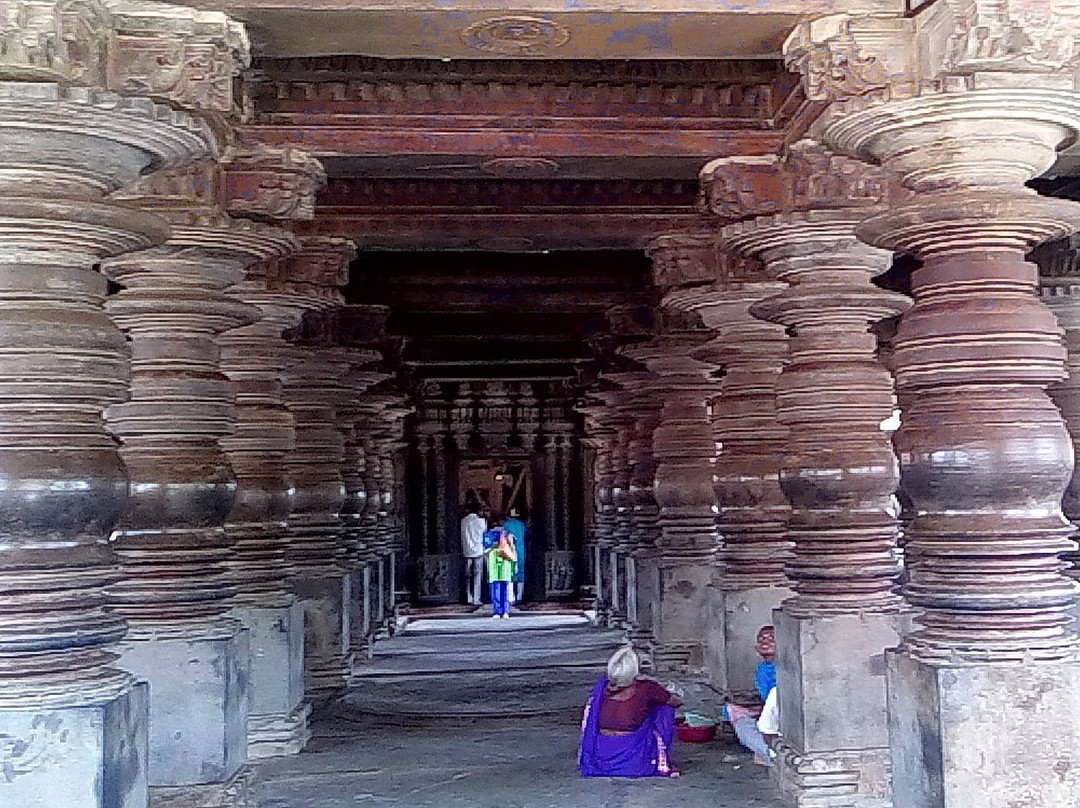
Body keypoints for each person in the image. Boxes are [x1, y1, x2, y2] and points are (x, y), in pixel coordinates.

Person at [578, 647, 682, 778]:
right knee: (664, 707)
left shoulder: (602, 687)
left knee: (651, 702)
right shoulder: (646, 687)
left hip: (602, 758)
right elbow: (675, 702)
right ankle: (658, 758)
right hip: (633, 762)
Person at [724, 625, 778, 766]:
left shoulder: (786, 667)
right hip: (773, 715)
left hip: (783, 721)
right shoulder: (762, 669)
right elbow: (767, 701)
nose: (765, 643)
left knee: (743, 723)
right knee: (737, 716)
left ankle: (770, 755)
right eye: (761, 640)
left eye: (771, 638)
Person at [460, 499, 487, 606]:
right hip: (479, 550)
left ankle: (468, 597)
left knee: (467, 575)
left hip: (467, 550)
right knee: (477, 575)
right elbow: (484, 536)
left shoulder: (463, 521)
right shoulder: (481, 521)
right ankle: (477, 597)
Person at [486, 527, 516, 619]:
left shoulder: (506, 548)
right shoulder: (492, 549)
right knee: (498, 591)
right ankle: (499, 611)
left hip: (502, 573)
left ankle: (503, 611)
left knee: (502, 591)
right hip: (497, 573)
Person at [502, 510, 526, 603]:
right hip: (520, 549)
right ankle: (519, 596)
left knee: (509, 573)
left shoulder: (506, 525)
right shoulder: (521, 525)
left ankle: (510, 596)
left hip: (509, 550)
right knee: (520, 572)